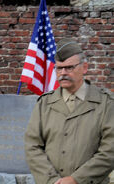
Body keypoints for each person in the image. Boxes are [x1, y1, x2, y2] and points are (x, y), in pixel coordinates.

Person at [24, 38, 114, 184]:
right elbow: (32, 146)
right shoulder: (44, 104)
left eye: (69, 68)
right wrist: (51, 180)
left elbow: (110, 150)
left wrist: (76, 179)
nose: (63, 73)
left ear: (84, 67)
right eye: (59, 68)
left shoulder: (105, 103)